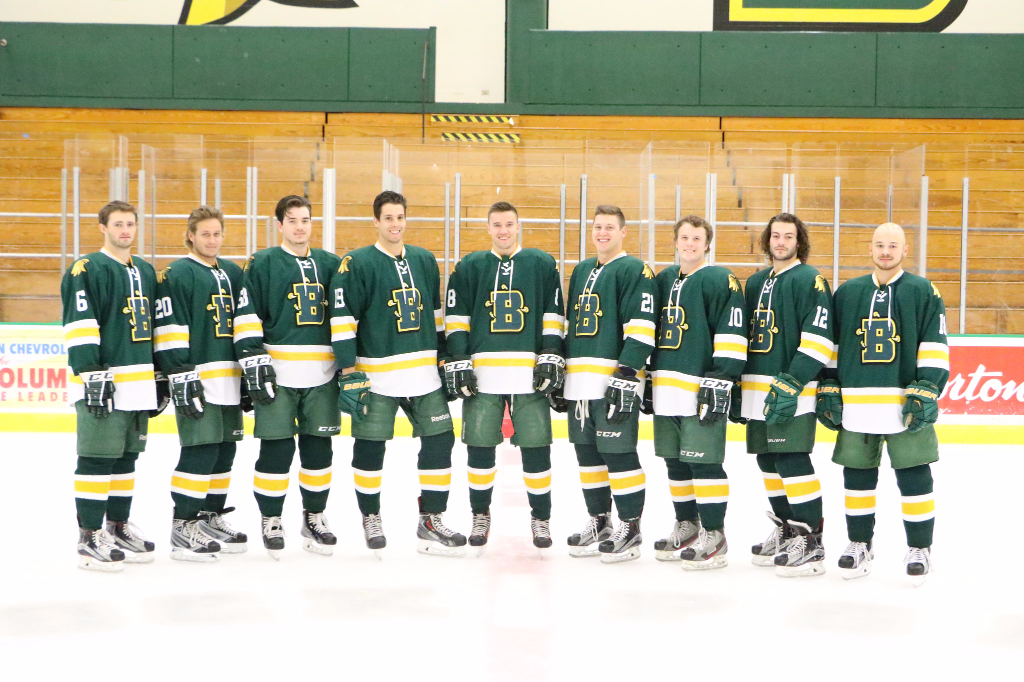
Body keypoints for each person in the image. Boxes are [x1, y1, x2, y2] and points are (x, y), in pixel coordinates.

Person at [330, 190, 466, 558]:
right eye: (387, 218)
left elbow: (436, 318)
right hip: (377, 377)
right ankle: (371, 516)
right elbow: (343, 321)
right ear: (375, 221)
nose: (395, 224)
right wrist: (348, 369)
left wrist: (445, 359)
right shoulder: (356, 263)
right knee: (371, 447)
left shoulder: (424, 260)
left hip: (424, 375)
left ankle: (432, 519)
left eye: (400, 217)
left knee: (439, 441)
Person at [819, 222, 948, 585]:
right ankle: (860, 543)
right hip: (857, 403)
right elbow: (834, 345)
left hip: (904, 404)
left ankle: (920, 547)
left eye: (893, 245)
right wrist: (829, 385)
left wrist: (927, 389)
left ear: (905, 250)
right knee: (857, 476)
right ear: (870, 249)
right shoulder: (848, 292)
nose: (885, 251)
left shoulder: (924, 291)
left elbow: (935, 346)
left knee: (914, 474)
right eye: (879, 245)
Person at [443, 201, 566, 554]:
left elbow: (552, 314)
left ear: (518, 225)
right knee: (479, 447)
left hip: (529, 372)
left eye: (509, 224)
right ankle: (480, 515)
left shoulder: (542, 264)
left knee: (536, 447)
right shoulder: (469, 267)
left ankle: (540, 517)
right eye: (496, 224)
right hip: (483, 374)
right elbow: (457, 317)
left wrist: (550, 353)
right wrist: (460, 359)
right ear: (488, 228)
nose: (503, 231)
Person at [233, 195, 341, 559]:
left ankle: (314, 517)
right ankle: (271, 519)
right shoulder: (262, 263)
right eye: (292, 220)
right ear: (279, 225)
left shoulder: (331, 263)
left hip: (323, 375)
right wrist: (251, 362)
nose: (299, 227)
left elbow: (343, 319)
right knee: (276, 451)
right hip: (277, 376)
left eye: (305, 220)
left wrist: (348, 365)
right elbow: (247, 316)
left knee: (318, 450)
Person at [62, 201, 159, 571]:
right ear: (102, 227)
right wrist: (91, 372)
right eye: (118, 224)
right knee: (96, 458)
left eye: (130, 224)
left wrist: (161, 376)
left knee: (126, 458)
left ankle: (116, 526)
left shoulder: (146, 271)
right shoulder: (87, 269)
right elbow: (80, 322)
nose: (125, 230)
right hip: (104, 381)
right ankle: (89, 535)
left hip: (139, 382)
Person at [650, 216, 747, 569]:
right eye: (684, 237)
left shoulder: (721, 279)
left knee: (704, 462)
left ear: (708, 244)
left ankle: (715, 534)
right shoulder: (662, 280)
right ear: (675, 241)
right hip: (665, 385)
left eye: (697, 238)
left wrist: (723, 377)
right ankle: (687, 524)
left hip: (701, 387)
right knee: (674, 461)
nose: (689, 243)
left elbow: (732, 329)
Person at [741, 213, 834, 577]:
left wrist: (794, 380)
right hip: (757, 389)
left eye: (788, 236)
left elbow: (819, 338)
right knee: (768, 460)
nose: (781, 242)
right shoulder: (755, 282)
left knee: (792, 459)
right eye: (775, 236)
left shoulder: (810, 280)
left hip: (793, 390)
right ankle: (787, 528)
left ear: (799, 242)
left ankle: (811, 539)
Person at [562, 205, 657, 563]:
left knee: (618, 454)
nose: (602, 233)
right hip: (580, 383)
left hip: (615, 382)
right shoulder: (583, 269)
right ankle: (600, 521)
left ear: (623, 231)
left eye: (609, 227)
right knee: (587, 456)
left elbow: (643, 327)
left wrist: (626, 373)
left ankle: (630, 527)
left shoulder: (635, 270)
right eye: (597, 227)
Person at [153, 206, 247, 562]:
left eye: (217, 233)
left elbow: (246, 323)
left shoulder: (234, 273)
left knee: (225, 449)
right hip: (198, 378)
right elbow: (169, 326)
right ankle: (183, 524)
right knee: (200, 449)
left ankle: (210, 515)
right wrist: (179, 373)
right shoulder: (176, 274)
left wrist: (250, 374)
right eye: (205, 234)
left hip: (230, 377)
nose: (212, 240)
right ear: (190, 235)